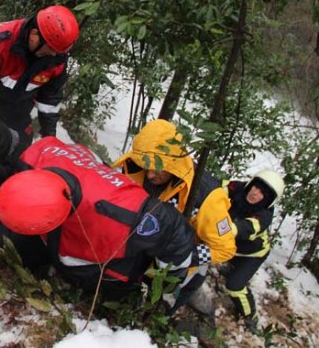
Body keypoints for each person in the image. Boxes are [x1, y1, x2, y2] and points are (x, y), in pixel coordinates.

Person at [0, 136, 198, 300]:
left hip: (123, 260)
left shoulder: (120, 211)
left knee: (120, 293)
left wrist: (163, 285)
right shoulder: (35, 159)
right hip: (72, 230)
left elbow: (176, 232)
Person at [111, 119, 237, 312]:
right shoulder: (136, 167)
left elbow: (224, 248)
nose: (150, 175)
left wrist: (182, 255)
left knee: (162, 306)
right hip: (139, 254)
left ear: (173, 164)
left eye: (158, 169)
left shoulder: (205, 196)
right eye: (147, 166)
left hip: (175, 269)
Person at [0, 6, 79, 148]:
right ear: (34, 35)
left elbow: (49, 101)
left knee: (22, 153)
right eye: (51, 48)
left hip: (18, 117)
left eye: (58, 51)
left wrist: (49, 140)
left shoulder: (56, 59)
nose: (53, 54)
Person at [222, 170, 285, 330]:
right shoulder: (241, 188)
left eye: (262, 193)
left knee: (234, 286)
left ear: (268, 200)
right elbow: (217, 187)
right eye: (255, 187)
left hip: (252, 254)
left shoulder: (264, 216)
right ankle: (232, 268)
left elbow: (246, 227)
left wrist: (221, 227)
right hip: (233, 245)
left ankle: (249, 315)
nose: (255, 193)